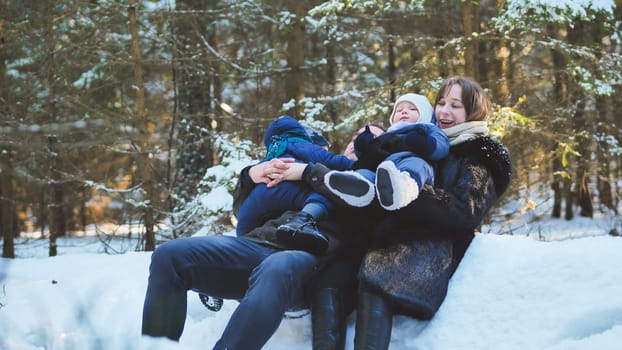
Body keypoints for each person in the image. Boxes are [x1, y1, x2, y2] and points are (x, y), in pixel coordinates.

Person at [301, 75, 512, 349]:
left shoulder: (482, 152)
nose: (445, 111)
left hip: (427, 245)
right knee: (328, 280)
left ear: (473, 111)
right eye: (441, 102)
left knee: (376, 278)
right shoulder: (424, 143)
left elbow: (466, 208)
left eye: (455, 106)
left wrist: (407, 192)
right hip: (382, 237)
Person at [140, 124, 383, 350]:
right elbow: (245, 209)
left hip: (309, 259)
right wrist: (250, 176)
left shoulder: (372, 183)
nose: (358, 141)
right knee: (169, 255)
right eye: (355, 136)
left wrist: (308, 173)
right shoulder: (308, 165)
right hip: (258, 243)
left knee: (276, 266)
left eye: (372, 136)